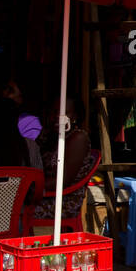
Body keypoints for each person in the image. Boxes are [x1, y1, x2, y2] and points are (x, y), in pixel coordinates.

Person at [32, 96, 96, 228]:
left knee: (13, 209)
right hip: (43, 193)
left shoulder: (78, 138)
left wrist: (29, 187)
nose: (57, 116)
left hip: (63, 200)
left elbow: (63, 181)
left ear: (75, 116)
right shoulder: (50, 136)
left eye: (65, 112)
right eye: (55, 112)